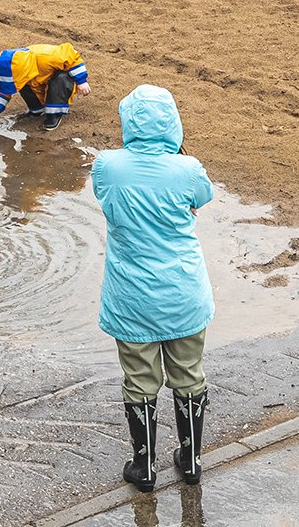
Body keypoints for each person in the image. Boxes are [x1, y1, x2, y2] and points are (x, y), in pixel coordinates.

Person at [91, 84, 214, 490]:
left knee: (139, 379)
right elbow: (202, 198)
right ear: (173, 122)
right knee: (189, 373)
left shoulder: (107, 165)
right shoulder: (189, 168)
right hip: (182, 292)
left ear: (128, 121)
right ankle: (191, 460)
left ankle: (144, 467)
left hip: (132, 297)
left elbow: (106, 199)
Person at [0, 42, 91, 131]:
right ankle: (37, 109)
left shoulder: (46, 56)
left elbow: (73, 58)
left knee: (62, 78)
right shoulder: (7, 68)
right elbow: (3, 90)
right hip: (39, 83)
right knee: (22, 84)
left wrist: (81, 81)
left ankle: (54, 114)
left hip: (57, 82)